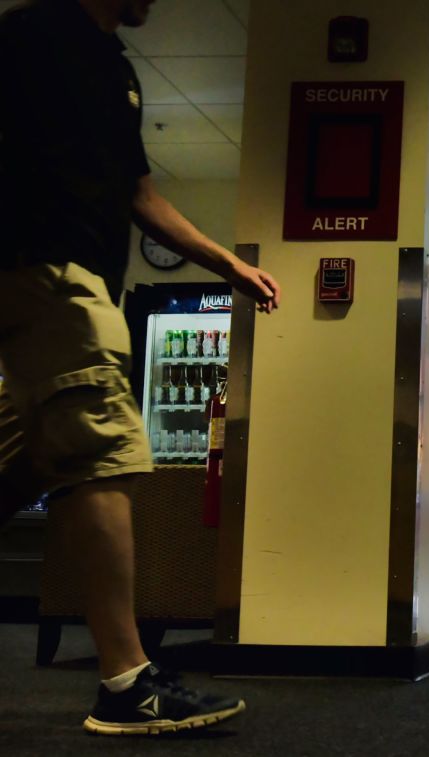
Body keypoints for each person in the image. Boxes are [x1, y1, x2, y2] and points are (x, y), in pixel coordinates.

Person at [0, 0, 281, 735]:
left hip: (78, 276)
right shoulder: (32, 35)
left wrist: (229, 265)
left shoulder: (118, 71)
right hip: (46, 268)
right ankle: (127, 681)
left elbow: (140, 195)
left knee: (25, 460)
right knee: (104, 450)